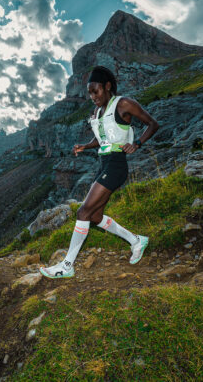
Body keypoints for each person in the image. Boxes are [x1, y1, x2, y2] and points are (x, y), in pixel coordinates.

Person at [40, 65, 160, 279]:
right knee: (94, 216)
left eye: (95, 91)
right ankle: (136, 241)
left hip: (116, 164)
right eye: (89, 93)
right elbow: (102, 139)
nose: (92, 97)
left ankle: (67, 265)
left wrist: (138, 143)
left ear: (107, 87)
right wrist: (85, 146)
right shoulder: (98, 112)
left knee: (83, 212)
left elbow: (152, 124)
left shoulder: (124, 104)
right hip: (103, 163)